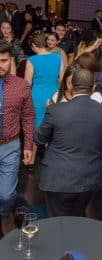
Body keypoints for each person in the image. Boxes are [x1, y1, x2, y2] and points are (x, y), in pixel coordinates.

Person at [35, 69, 102, 217]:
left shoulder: (55, 110)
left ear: (71, 86)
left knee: (56, 221)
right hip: (88, 180)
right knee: (77, 220)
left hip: (57, 179)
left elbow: (39, 138)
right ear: (93, 87)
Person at [0, 40, 34, 234]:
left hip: (10, 146)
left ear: (11, 60)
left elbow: (28, 116)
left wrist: (28, 145)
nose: (0, 65)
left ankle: (6, 218)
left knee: (6, 195)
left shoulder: (21, 86)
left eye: (4, 60)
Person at [25, 32, 63, 127]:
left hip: (37, 97)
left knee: (38, 127)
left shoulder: (31, 60)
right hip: (54, 95)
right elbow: (61, 79)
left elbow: (27, 84)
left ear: (33, 45)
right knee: (52, 126)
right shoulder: (58, 57)